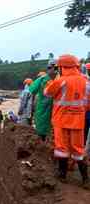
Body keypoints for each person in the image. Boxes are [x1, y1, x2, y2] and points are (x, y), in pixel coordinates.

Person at [44, 54, 90, 188]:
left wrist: (51, 82)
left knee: (61, 147)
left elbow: (47, 93)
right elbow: (88, 102)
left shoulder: (61, 80)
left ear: (62, 67)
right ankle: (85, 179)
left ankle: (62, 175)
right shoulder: (86, 81)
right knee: (78, 149)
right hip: (78, 120)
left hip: (61, 119)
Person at [29, 61, 57, 141]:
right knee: (42, 132)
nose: (53, 70)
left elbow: (31, 90)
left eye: (55, 68)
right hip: (44, 109)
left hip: (54, 110)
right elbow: (32, 91)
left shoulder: (60, 79)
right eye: (51, 68)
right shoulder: (41, 80)